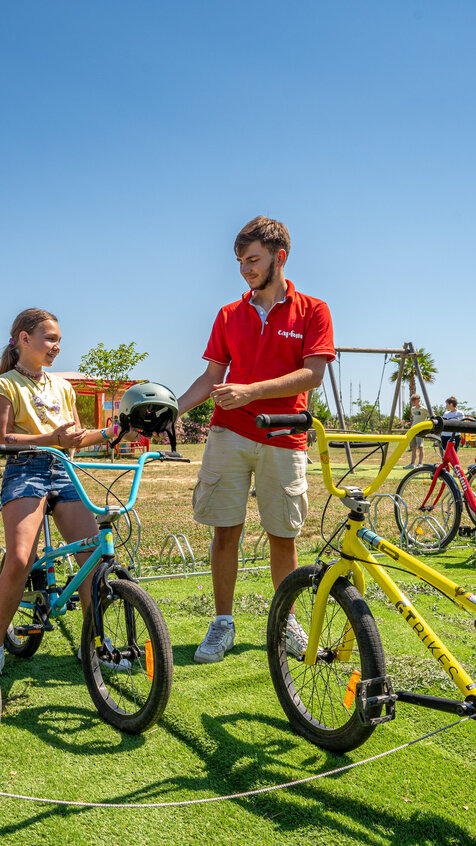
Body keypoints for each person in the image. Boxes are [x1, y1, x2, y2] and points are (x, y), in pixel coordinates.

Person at [177, 216, 335, 664]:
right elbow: (210, 379)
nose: (245, 269)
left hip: (285, 436)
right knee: (225, 532)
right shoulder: (228, 314)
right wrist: (170, 411)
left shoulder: (314, 310)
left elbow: (313, 375)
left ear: (278, 257)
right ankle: (222, 624)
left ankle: (286, 622)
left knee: (282, 535)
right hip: (228, 432)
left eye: (253, 260)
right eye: (240, 261)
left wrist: (250, 390)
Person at [0, 308, 126, 675]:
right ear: (23, 340)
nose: (56, 346)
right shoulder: (4, 386)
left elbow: (75, 439)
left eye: (59, 340)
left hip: (63, 469)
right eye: (50, 339)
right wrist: (52, 439)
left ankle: (94, 644)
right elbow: (3, 441)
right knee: (19, 558)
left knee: (94, 558)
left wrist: (113, 431)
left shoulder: (63, 387)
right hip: (24, 469)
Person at [406, 393, 427, 468]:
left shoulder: (424, 409)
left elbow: (432, 416)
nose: (413, 403)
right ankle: (412, 464)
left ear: (418, 400)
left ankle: (420, 463)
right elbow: (414, 418)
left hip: (420, 430)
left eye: (414, 401)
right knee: (413, 447)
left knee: (420, 447)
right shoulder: (413, 409)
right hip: (413, 430)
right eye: (412, 401)